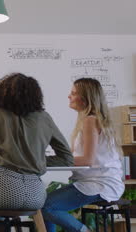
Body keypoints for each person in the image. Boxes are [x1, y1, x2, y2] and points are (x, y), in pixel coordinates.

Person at [0, 73, 74, 231]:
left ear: (1, 93)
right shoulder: (44, 118)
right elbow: (67, 158)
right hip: (36, 195)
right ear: (36, 95)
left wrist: (2, 160)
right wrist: (34, 160)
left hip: (1, 187)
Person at [42, 78, 124, 232]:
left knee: (46, 206)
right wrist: (56, 159)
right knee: (45, 205)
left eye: (73, 93)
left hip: (99, 184)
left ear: (86, 99)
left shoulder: (90, 121)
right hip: (99, 182)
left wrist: (48, 160)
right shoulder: (92, 121)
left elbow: (87, 160)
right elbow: (78, 158)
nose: (69, 96)